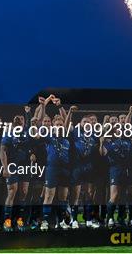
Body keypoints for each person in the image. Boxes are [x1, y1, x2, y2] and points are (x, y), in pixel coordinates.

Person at [37, 95, 72, 231]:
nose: (59, 126)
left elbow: (68, 121)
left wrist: (60, 106)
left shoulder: (66, 136)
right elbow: (39, 124)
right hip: (52, 168)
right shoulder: (48, 136)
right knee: (49, 195)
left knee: (63, 196)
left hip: (65, 169)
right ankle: (45, 221)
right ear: (53, 126)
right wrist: (44, 104)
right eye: (56, 125)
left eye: (60, 125)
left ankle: (63, 221)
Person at [0, 107, 32, 231]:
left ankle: (19, 220)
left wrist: (28, 113)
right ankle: (7, 221)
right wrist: (5, 168)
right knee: (12, 191)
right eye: (17, 119)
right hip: (12, 166)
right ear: (14, 122)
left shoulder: (28, 132)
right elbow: (2, 151)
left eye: (22, 119)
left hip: (25, 167)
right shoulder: (8, 134)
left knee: (24, 192)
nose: (19, 121)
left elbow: (35, 121)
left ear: (24, 122)